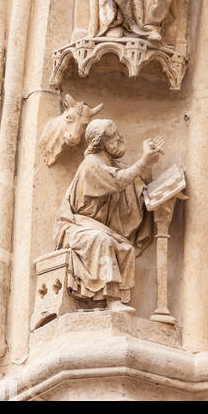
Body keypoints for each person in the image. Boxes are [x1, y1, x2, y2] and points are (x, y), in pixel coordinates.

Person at [55, 120, 162, 311]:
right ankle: (112, 300)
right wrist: (143, 161)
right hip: (76, 227)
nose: (119, 139)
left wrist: (148, 163)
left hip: (96, 227)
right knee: (101, 241)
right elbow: (118, 181)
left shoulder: (111, 164)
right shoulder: (91, 166)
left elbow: (135, 181)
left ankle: (114, 299)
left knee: (124, 247)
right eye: (114, 136)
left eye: (118, 134)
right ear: (101, 142)